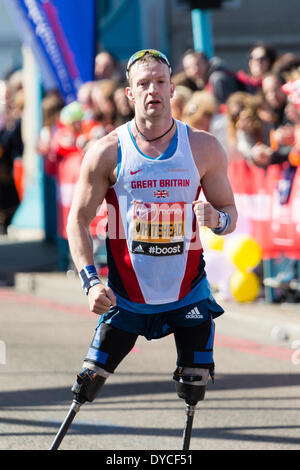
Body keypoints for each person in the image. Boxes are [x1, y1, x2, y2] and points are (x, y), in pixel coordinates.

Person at [66, 49, 237, 414]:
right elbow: (77, 220)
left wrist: (216, 220)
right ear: (130, 94)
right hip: (126, 299)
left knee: (194, 388)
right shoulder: (107, 152)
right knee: (85, 387)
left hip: (188, 296)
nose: (152, 90)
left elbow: (229, 214)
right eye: (142, 84)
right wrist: (90, 282)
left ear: (172, 88)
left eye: (160, 82)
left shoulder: (203, 147)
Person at [173, 49, 244, 105]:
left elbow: (224, 108)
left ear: (206, 62)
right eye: (188, 68)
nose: (194, 70)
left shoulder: (218, 79)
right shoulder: (197, 82)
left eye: (197, 64)